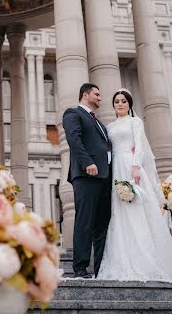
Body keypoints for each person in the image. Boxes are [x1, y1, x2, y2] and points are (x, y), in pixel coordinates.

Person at [98, 89, 172, 281]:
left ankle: (147, 258)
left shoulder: (135, 122)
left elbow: (140, 146)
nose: (120, 104)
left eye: (124, 101)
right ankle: (123, 256)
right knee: (120, 213)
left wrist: (136, 167)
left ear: (129, 104)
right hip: (116, 170)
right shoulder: (109, 127)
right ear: (113, 104)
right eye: (117, 101)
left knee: (137, 209)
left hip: (131, 166)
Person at [62, 83, 112, 278]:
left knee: (102, 224)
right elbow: (74, 140)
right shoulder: (73, 113)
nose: (100, 98)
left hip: (105, 177)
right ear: (85, 94)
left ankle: (100, 268)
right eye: (97, 94)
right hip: (86, 175)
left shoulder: (99, 122)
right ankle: (80, 268)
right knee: (85, 221)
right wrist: (87, 163)